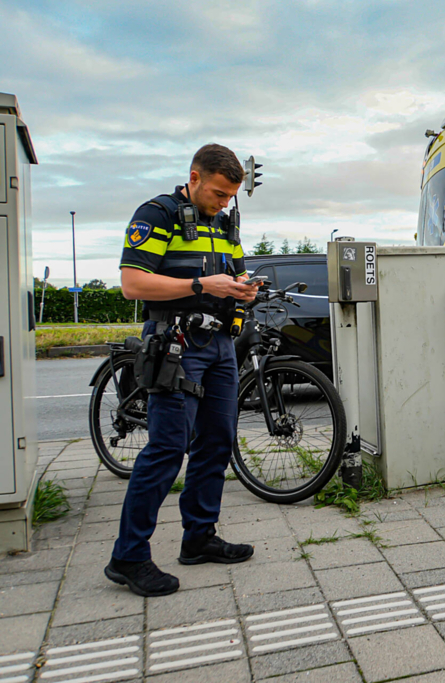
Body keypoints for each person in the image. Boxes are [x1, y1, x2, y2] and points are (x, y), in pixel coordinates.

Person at [105, 144, 259, 597]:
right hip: (175, 344)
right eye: (217, 192)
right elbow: (132, 284)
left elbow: (235, 272)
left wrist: (243, 290)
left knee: (216, 441)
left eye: (231, 195)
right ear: (193, 177)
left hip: (220, 345)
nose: (224, 202)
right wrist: (197, 284)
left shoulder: (225, 223)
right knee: (168, 448)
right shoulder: (158, 214)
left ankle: (198, 537)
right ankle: (128, 557)